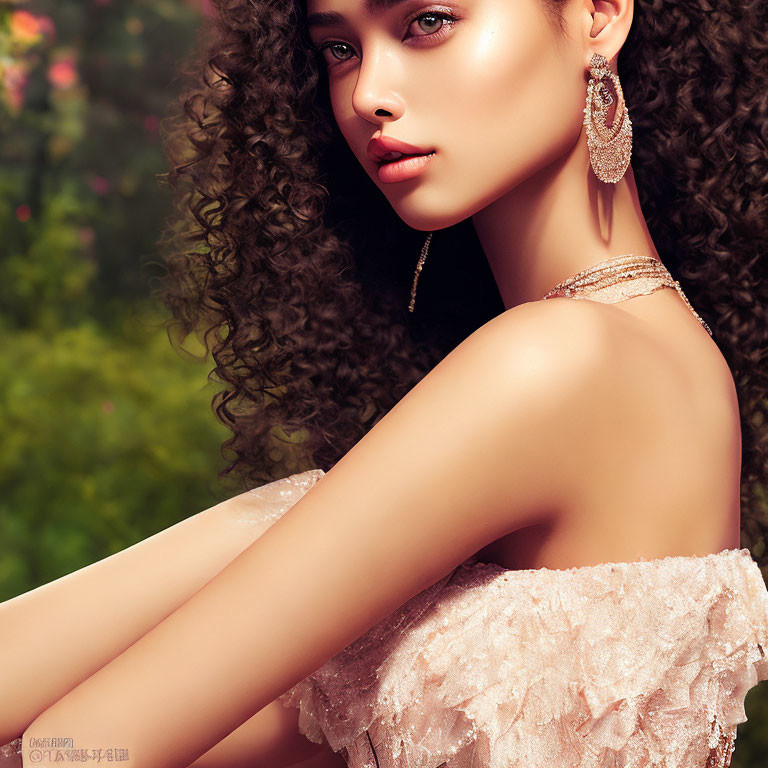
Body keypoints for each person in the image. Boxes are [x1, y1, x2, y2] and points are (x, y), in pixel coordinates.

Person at [1, 0, 767, 766]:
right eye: (339, 48)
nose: (368, 92)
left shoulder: (562, 360)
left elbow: (78, 751)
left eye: (427, 22)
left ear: (598, 16)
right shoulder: (668, 351)